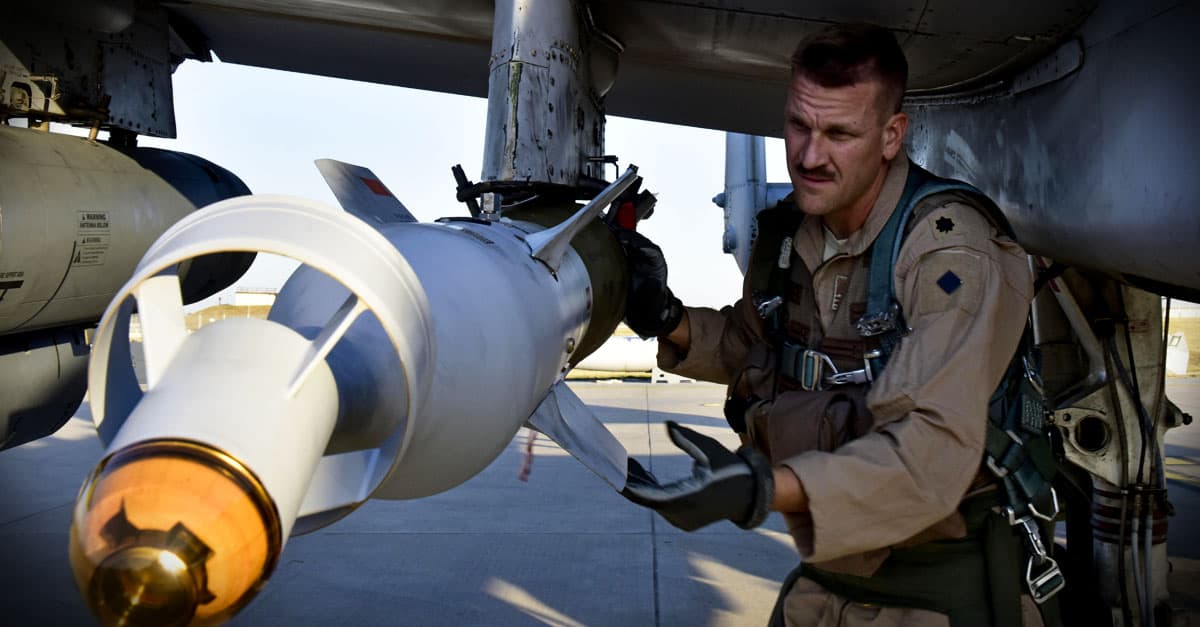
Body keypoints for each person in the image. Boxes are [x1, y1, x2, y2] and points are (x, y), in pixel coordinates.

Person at [616, 22, 1054, 627]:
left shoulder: (950, 253)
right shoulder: (791, 235)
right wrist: (661, 315)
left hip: (938, 590)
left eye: (839, 133)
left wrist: (764, 488)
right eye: (799, 125)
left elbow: (929, 452)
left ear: (891, 135)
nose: (809, 156)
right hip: (825, 582)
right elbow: (752, 344)